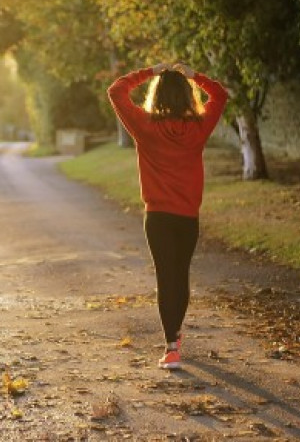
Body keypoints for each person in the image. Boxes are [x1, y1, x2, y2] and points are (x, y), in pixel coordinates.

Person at [108, 62, 228, 370]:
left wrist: (150, 71)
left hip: (158, 217)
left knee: (166, 277)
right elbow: (220, 95)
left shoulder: (144, 126)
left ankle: (171, 347)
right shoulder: (199, 127)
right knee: (181, 275)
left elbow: (116, 90)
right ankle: (175, 336)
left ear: (156, 95)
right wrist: (194, 75)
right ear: (188, 96)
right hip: (187, 216)